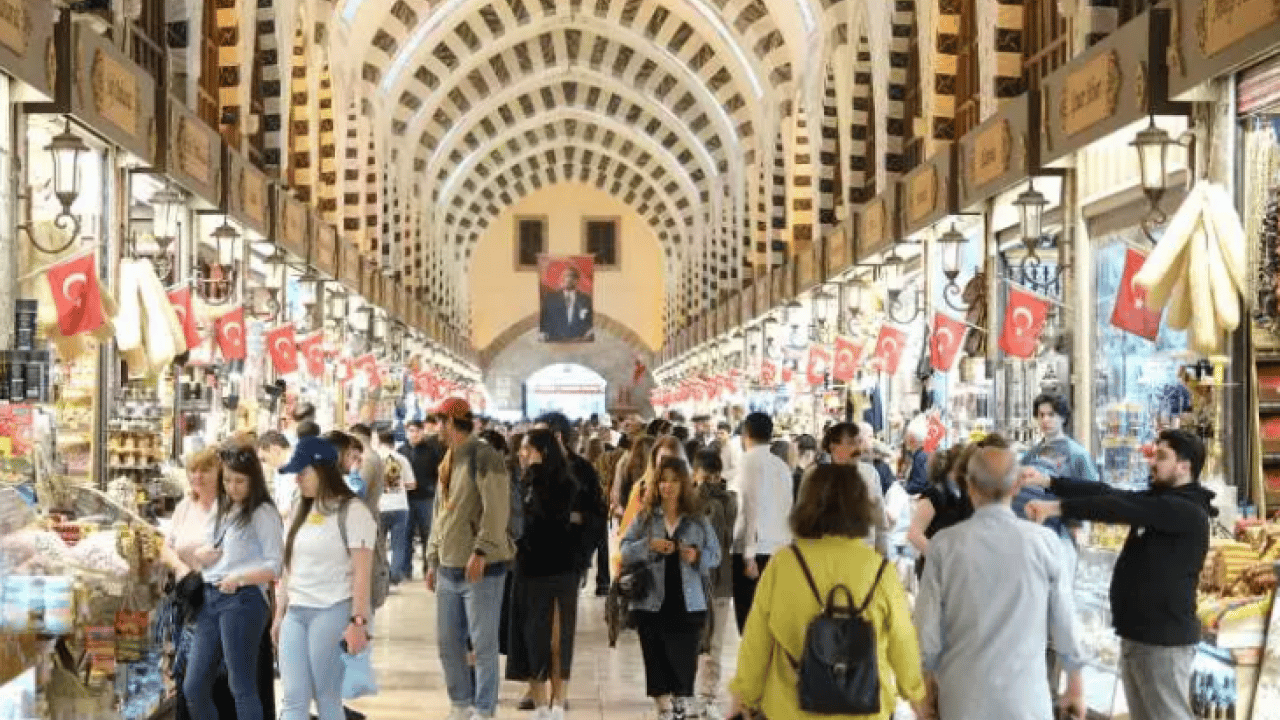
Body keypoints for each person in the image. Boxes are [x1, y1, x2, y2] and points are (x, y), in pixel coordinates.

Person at [1023, 429, 1215, 720]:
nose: (1153, 463)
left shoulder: (1184, 510)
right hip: (1139, 637)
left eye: (1162, 457)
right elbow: (1108, 493)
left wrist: (1056, 508)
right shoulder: (1160, 502)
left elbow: (1118, 507)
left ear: (1184, 466)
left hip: (1162, 642)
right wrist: (1049, 482)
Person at [726, 463, 926, 720]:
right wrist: (917, 695)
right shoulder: (878, 570)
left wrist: (744, 695)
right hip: (865, 708)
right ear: (860, 507)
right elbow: (902, 640)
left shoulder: (784, 564)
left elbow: (757, 640)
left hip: (791, 709)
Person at [913, 445, 1086, 720]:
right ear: (1017, 485)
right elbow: (1064, 620)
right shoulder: (1044, 543)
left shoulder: (944, 546)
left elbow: (927, 629)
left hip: (962, 698)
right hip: (1026, 699)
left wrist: (925, 686)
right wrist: (1075, 685)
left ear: (969, 486)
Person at [272, 437, 376, 720]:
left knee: (326, 697)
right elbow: (289, 565)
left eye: (302, 473)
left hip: (332, 611)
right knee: (293, 698)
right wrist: (280, 613)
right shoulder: (300, 507)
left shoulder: (353, 511)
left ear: (322, 470)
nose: (297, 480)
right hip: (296, 612)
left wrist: (358, 622)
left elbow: (362, 574)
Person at [425, 397, 515, 720]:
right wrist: (432, 556)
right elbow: (440, 512)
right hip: (448, 568)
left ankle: (484, 708)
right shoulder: (448, 459)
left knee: (483, 643)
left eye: (439, 422)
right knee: (448, 642)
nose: (436, 429)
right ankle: (460, 703)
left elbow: (497, 507)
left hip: (482, 569)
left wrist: (482, 549)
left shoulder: (484, 456)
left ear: (451, 423)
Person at [183, 444, 283, 720]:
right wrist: (203, 554)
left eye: (240, 481)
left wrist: (240, 578)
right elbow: (209, 544)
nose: (232, 487)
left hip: (244, 600)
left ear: (254, 479)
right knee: (193, 686)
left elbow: (276, 565)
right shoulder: (223, 507)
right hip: (210, 596)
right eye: (227, 480)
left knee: (241, 687)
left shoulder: (263, 513)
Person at [620, 457, 721, 720]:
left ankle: (680, 703)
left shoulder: (697, 520)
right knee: (655, 658)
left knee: (684, 660)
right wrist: (648, 546)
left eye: (675, 480)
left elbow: (716, 555)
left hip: (688, 602)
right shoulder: (645, 517)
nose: (668, 486)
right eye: (663, 480)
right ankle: (663, 709)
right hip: (651, 602)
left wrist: (696, 557)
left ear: (684, 484)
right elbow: (624, 550)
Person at [505, 430, 581, 720]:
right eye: (522, 450)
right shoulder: (522, 482)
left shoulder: (566, 483)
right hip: (527, 570)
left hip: (560, 571)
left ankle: (558, 704)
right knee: (530, 637)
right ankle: (539, 707)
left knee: (558, 640)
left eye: (529, 449)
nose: (523, 455)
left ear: (545, 452)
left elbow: (556, 520)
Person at [730, 412, 793, 633]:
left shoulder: (747, 462)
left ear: (745, 434)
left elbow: (749, 507)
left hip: (753, 552)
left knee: (750, 623)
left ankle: (754, 667)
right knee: (772, 620)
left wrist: (748, 555)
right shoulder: (782, 466)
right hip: (779, 550)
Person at [691, 449, 737, 720]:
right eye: (705, 475)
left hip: (721, 580)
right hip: (692, 580)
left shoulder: (730, 500)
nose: (711, 480)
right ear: (695, 474)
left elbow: (729, 531)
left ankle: (708, 695)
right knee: (694, 639)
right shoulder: (688, 500)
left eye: (715, 475)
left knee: (716, 642)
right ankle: (687, 694)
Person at [802, 422, 889, 555]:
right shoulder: (813, 474)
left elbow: (880, 520)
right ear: (832, 446)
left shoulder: (869, 473)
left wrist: (883, 555)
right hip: (823, 554)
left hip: (862, 553)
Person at [907, 443, 975, 562]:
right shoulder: (935, 494)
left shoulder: (963, 494)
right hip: (937, 570)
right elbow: (914, 533)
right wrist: (940, 559)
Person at [401, 417, 446, 581]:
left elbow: (440, 473)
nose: (414, 434)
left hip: (426, 498)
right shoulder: (401, 452)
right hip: (406, 499)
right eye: (411, 431)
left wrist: (434, 489)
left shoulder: (432, 450)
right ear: (406, 432)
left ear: (422, 432)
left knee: (428, 535)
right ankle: (405, 570)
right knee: (406, 535)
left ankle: (430, 568)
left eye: (418, 431)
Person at [377, 430, 413, 586]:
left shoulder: (375, 459)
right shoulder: (402, 459)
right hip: (400, 506)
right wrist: (398, 486)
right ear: (393, 442)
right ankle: (395, 574)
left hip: (380, 506)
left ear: (379, 441)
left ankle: (381, 575)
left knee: (380, 544)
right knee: (399, 544)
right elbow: (412, 484)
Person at [539, 265, 594, 341]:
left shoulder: (585, 300)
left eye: (571, 276)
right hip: (555, 342)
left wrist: (589, 334)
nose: (567, 279)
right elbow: (544, 321)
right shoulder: (550, 298)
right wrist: (543, 335)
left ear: (577, 280)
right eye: (565, 276)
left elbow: (590, 322)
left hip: (579, 343)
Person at [257, 431, 293, 516]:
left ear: (275, 450)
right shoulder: (280, 467)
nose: (264, 465)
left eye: (264, 459)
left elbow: (287, 509)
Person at [902, 416, 930, 495]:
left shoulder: (920, 457)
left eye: (906, 436)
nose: (904, 439)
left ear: (913, 440)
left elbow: (918, 484)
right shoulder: (922, 453)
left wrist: (902, 489)